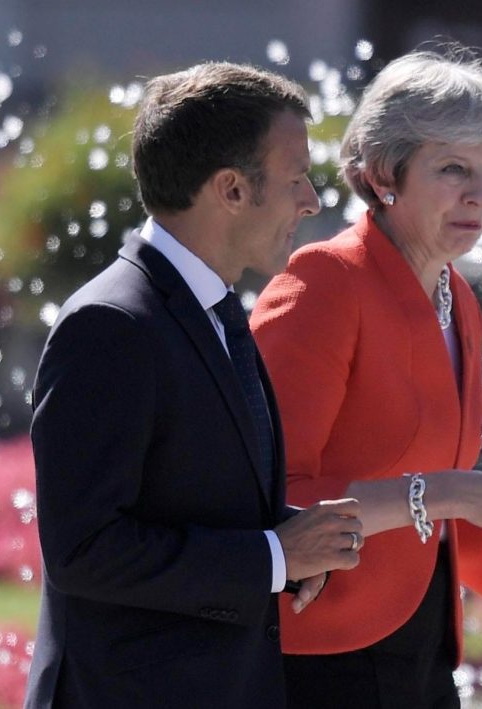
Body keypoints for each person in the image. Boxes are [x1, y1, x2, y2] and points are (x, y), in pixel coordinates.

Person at [251, 49, 482, 708]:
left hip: (419, 647)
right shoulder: (324, 281)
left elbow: (432, 517)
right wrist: (445, 491)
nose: (478, 193)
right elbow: (266, 493)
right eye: (451, 169)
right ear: (383, 174)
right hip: (320, 656)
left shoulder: (458, 299)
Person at [24, 62, 364, 709]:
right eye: (295, 179)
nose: (313, 201)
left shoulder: (216, 306)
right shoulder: (110, 325)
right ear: (231, 189)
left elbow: (188, 503)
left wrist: (293, 540)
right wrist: (269, 556)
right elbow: (85, 548)